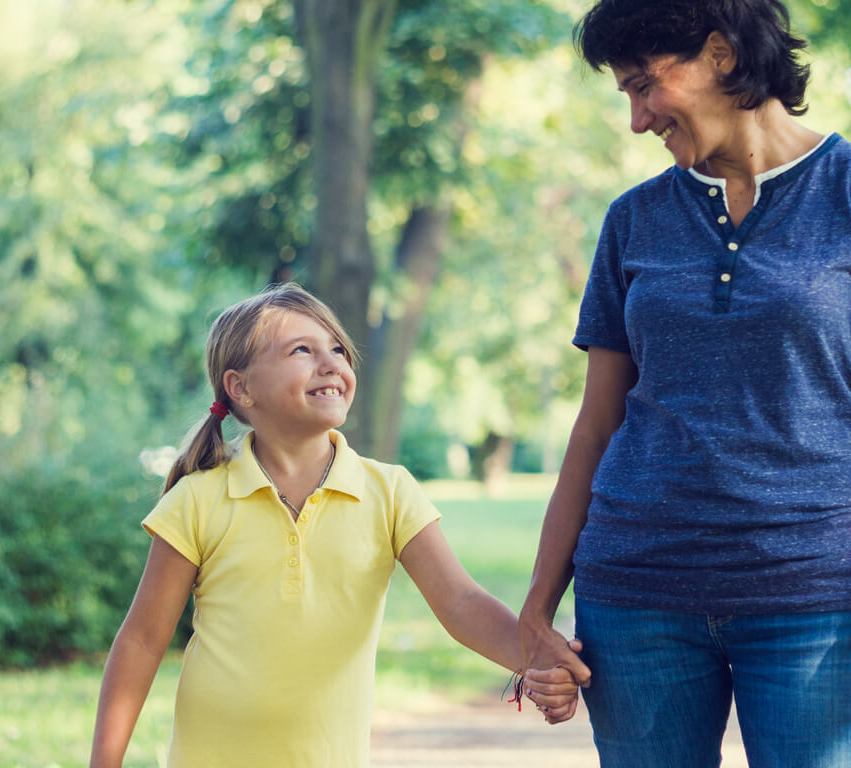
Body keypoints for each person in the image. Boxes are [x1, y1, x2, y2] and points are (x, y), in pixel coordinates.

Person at [516, 1, 851, 765]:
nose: (639, 119)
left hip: (810, 595)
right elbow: (595, 426)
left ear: (720, 54)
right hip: (635, 594)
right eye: (626, 95)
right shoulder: (632, 220)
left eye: (646, 85)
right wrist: (537, 612)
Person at [89, 283, 581, 768]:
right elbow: (143, 640)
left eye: (338, 349)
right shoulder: (198, 499)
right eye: (301, 350)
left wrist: (538, 657)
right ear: (241, 387)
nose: (331, 364)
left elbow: (460, 604)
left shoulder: (389, 491)